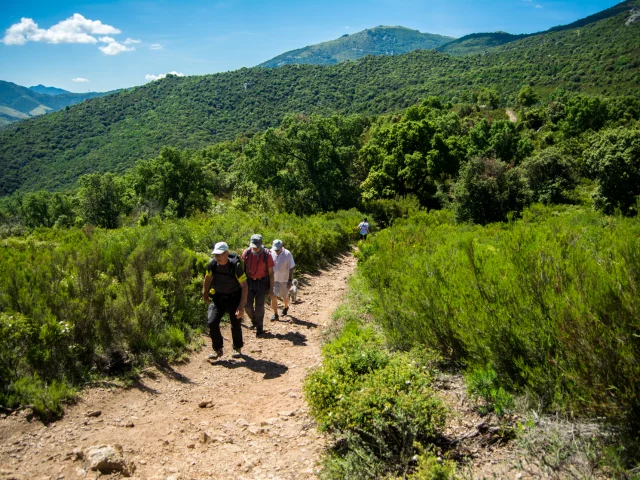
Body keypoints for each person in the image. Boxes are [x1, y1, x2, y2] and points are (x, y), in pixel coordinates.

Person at [202, 241, 248, 360]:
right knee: (212, 322)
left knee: (236, 322)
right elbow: (208, 277)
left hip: (234, 297)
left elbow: (244, 286)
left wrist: (241, 306)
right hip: (218, 297)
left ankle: (237, 347)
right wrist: (205, 293)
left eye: (219, 254)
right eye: (215, 254)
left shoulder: (235, 266)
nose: (217, 257)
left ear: (226, 253)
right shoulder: (212, 264)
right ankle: (218, 349)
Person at [242, 234, 275, 336]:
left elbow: (271, 273)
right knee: (247, 305)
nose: (255, 248)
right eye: (253, 246)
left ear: (261, 244)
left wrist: (271, 289)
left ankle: (259, 327)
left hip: (262, 282)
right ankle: (254, 321)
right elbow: (244, 269)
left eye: (257, 246)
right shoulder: (246, 253)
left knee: (259, 306)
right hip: (249, 282)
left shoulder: (267, 255)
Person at [269, 239, 295, 320]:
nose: (276, 251)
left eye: (278, 249)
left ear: (282, 247)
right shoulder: (270, 252)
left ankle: (286, 307)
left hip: (284, 279)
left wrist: (290, 280)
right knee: (273, 296)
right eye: (275, 249)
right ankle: (275, 314)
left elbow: (291, 267)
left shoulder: (287, 254)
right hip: (274, 279)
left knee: (285, 297)